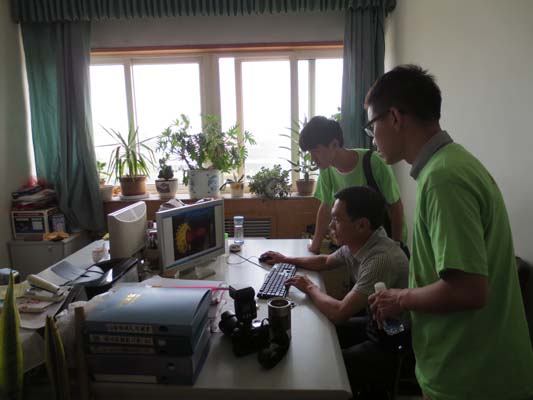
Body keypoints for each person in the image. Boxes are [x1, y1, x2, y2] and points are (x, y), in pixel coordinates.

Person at [366, 65, 533, 400]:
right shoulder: (452, 164)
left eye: (372, 126)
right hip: (470, 368)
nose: (372, 138)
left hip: (472, 378)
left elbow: (468, 290)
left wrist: (400, 298)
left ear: (395, 117)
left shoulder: (444, 179)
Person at [262, 186, 409, 396]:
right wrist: (286, 259)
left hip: (391, 339)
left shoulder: (380, 259)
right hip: (373, 323)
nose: (331, 226)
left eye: (337, 220)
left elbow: (340, 313)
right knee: (317, 335)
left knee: (322, 369)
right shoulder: (361, 241)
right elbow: (326, 261)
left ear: (361, 225)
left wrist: (309, 287)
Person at [299, 116, 407, 254]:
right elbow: (325, 207)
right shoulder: (326, 170)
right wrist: (315, 246)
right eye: (310, 153)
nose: (313, 159)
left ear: (334, 144)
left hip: (385, 244)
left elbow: (396, 207)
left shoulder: (373, 162)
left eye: (316, 151)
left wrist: (396, 246)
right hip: (356, 246)